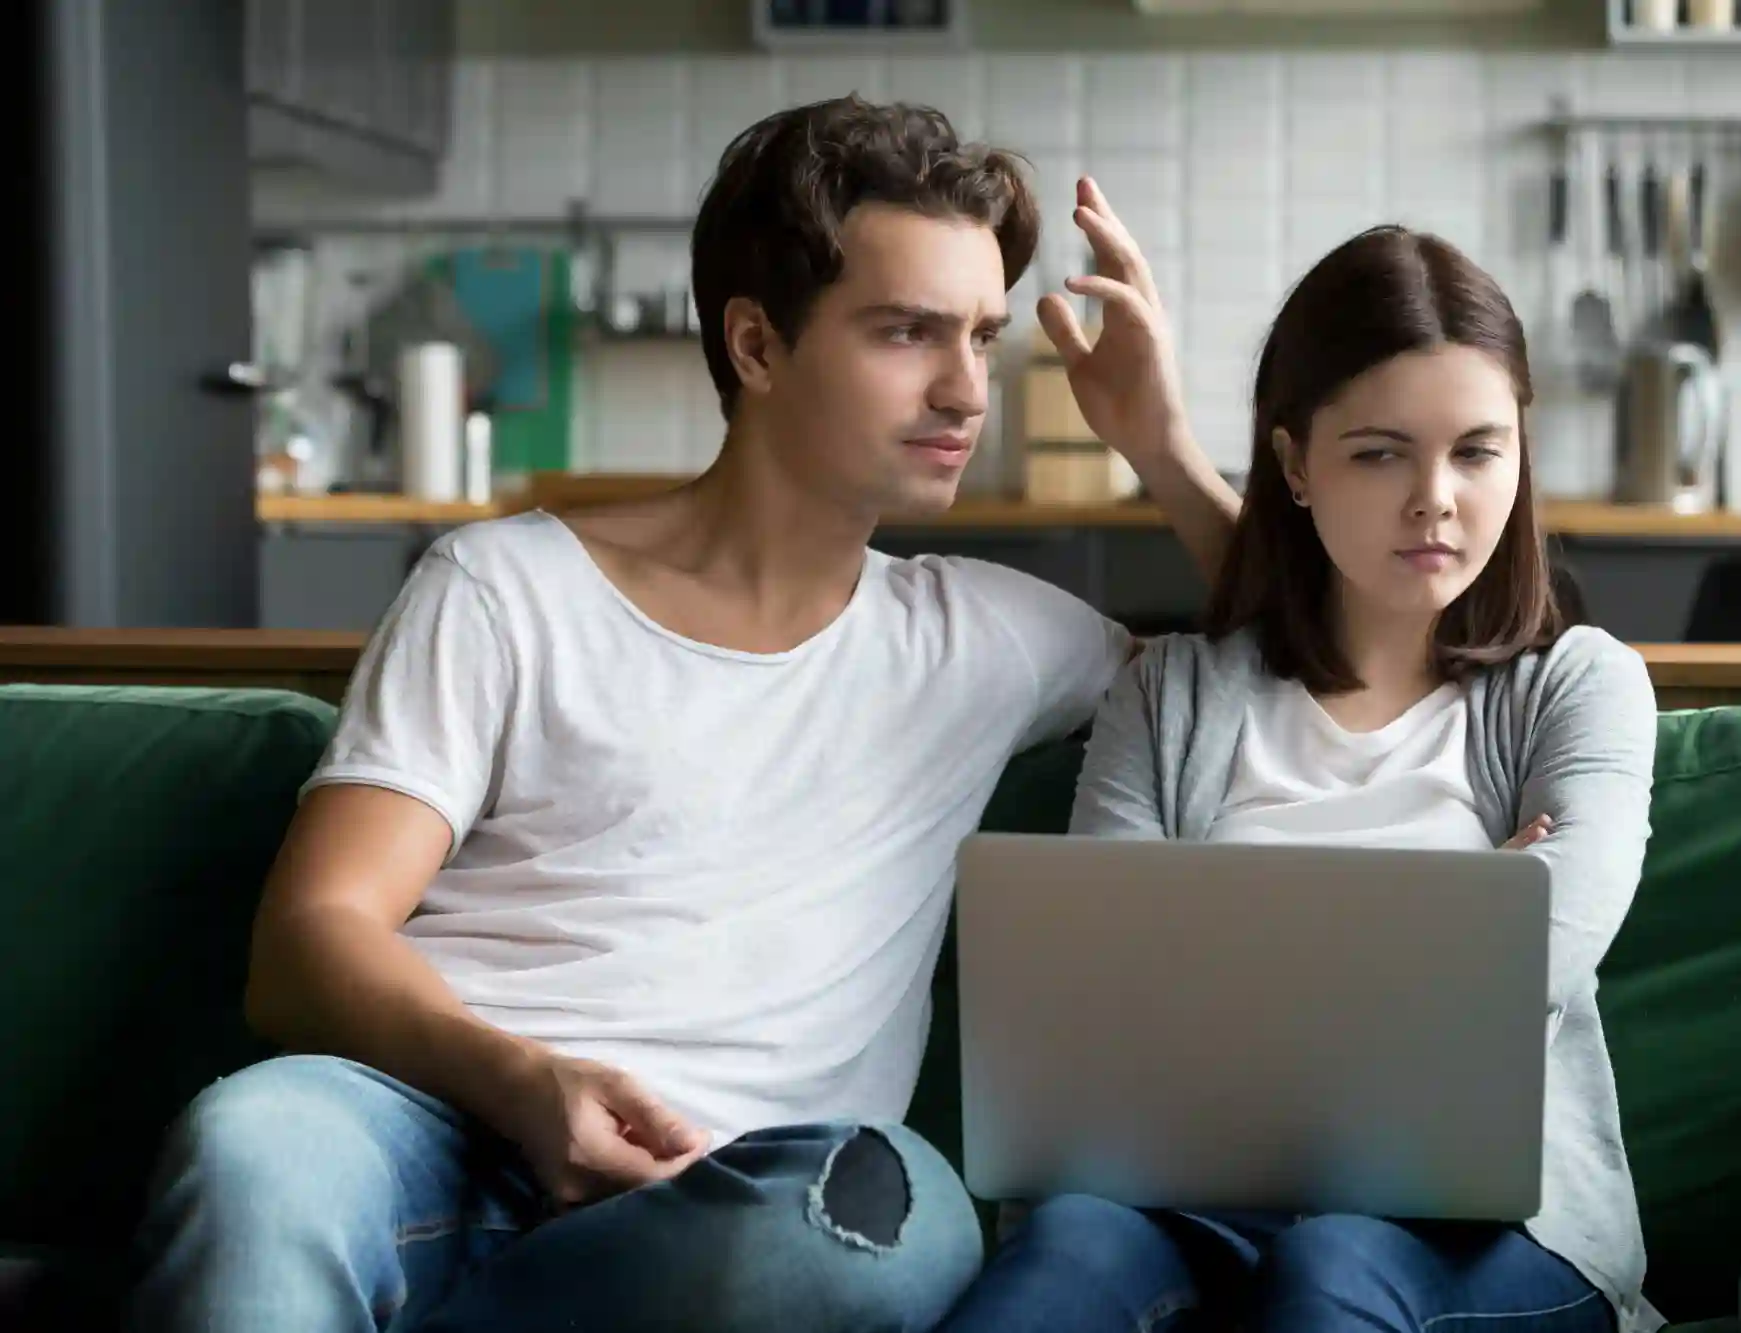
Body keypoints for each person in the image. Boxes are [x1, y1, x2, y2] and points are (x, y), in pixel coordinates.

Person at [124, 96, 1238, 1333]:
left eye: (979, 335)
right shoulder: (504, 586)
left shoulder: (989, 636)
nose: (965, 389)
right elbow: (311, 935)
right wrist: (522, 1081)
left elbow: (1307, 654)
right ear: (756, 347)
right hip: (433, 1127)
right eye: (906, 332)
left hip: (734, 1196)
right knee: (252, 1142)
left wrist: (1161, 444)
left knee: (877, 1230)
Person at [936, 227, 1662, 1333]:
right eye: (1377, 452)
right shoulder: (1166, 695)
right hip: (1182, 1198)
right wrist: (1462, 923)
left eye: (1477, 450)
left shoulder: (1578, 687)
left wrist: (1227, 964)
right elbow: (1106, 982)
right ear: (1292, 464)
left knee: (1330, 1269)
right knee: (1061, 1254)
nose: (1435, 498)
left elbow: (1546, 952)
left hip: (1490, 1231)